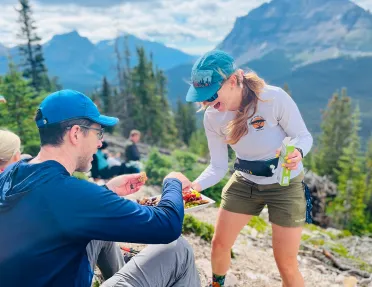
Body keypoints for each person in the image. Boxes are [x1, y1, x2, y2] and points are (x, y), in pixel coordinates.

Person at [0, 89, 201, 287]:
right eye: (98, 132)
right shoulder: (72, 194)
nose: (100, 142)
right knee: (179, 249)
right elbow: (167, 225)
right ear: (76, 133)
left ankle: (119, 273)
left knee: (95, 229)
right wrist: (172, 182)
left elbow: (56, 212)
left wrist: (106, 192)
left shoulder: (12, 173)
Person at [185, 50, 313, 287]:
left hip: (285, 184)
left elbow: (303, 136)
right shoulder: (213, 117)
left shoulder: (273, 98)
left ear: (233, 80)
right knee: (219, 245)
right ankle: (217, 285)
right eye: (201, 97)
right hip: (245, 182)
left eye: (211, 94)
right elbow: (218, 166)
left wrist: (298, 152)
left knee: (285, 263)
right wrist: (194, 186)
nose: (207, 103)